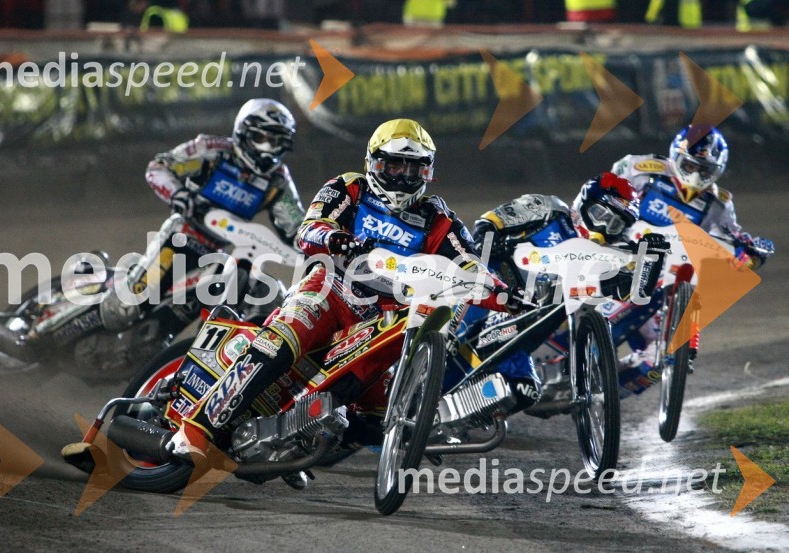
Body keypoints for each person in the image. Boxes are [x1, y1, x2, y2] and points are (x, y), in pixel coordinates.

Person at [166, 118, 525, 486]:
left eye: (413, 169)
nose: (402, 177)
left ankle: (291, 443)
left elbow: (470, 266)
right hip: (329, 291)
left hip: (380, 321)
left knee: (374, 416)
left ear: (427, 172)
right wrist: (335, 239)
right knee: (280, 343)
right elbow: (309, 228)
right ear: (374, 163)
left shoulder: (439, 219)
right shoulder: (349, 187)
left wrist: (506, 296)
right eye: (394, 166)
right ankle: (198, 429)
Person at [448, 174, 653, 414]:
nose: (604, 228)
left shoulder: (609, 254)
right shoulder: (548, 209)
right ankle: (435, 351)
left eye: (615, 224)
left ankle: (449, 418)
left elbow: (632, 293)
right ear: (584, 202)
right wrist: (489, 244)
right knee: (459, 331)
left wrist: (652, 258)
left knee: (525, 392)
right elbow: (488, 223)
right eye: (602, 215)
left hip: (519, 337)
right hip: (493, 294)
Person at [99, 98, 304, 330]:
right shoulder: (212, 150)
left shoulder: (277, 180)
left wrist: (318, 246)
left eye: (276, 143)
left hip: (218, 254)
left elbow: (296, 226)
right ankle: (101, 292)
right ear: (243, 132)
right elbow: (159, 167)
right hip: (181, 238)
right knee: (125, 307)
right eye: (261, 138)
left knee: (264, 293)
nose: (267, 151)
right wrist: (178, 194)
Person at [610, 125, 775, 394]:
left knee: (661, 357)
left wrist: (752, 251)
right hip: (616, 262)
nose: (697, 175)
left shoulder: (718, 203)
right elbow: (601, 196)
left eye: (705, 170)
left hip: (662, 284)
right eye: (690, 165)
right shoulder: (640, 169)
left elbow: (733, 237)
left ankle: (600, 396)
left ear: (717, 171)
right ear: (676, 156)